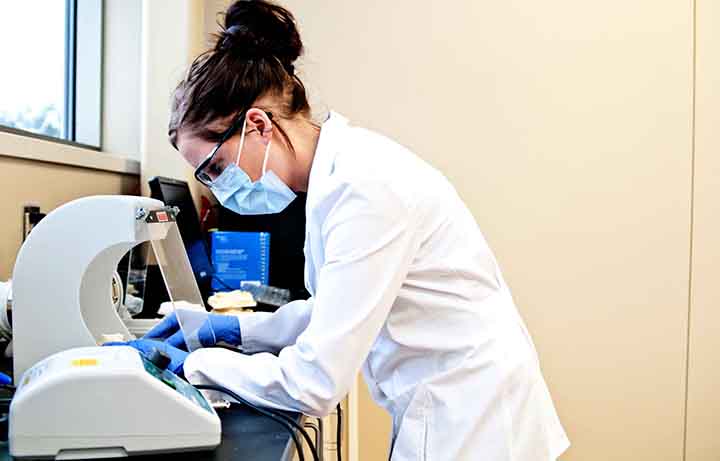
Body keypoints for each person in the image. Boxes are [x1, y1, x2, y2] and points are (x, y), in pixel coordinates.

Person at [127, 1, 570, 459]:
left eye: (215, 168)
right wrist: (229, 329)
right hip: (455, 407)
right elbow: (335, 309)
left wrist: (196, 363)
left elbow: (314, 382)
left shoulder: (364, 187)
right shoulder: (338, 177)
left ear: (257, 125)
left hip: (474, 420)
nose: (218, 190)